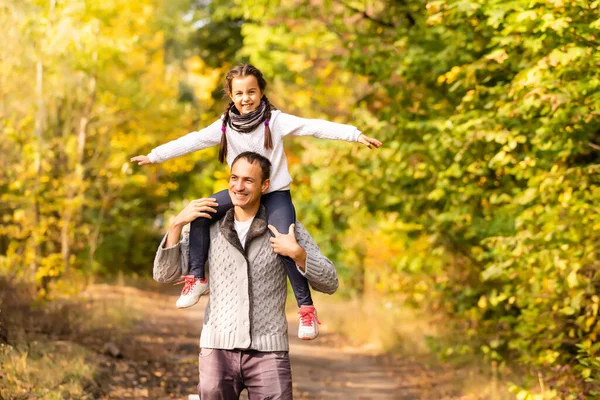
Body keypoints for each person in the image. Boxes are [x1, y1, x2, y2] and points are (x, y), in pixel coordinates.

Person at [133, 63, 381, 340]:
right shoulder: (225, 126)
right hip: (240, 191)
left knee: (285, 243)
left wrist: (355, 134)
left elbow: (313, 127)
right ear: (230, 95)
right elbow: (195, 140)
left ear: (261, 92)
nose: (246, 98)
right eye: (239, 93)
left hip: (275, 194)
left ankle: (306, 309)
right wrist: (155, 156)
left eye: (252, 91)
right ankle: (197, 279)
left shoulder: (275, 120)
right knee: (201, 212)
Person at [153, 152, 339, 399]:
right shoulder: (209, 226)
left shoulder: (286, 228)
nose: (238, 186)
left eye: (248, 181)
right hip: (216, 350)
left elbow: (330, 282)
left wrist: (299, 255)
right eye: (234, 178)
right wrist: (177, 224)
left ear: (265, 186)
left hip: (269, 353)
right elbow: (164, 274)